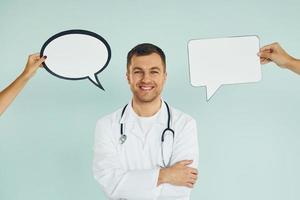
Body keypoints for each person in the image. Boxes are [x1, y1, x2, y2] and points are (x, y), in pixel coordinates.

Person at [93, 43, 199, 199]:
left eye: (154, 72)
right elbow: (110, 184)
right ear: (128, 76)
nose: (146, 79)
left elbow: (180, 189)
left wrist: (129, 183)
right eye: (138, 72)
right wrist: (165, 175)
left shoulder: (185, 124)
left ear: (165, 76)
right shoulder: (106, 125)